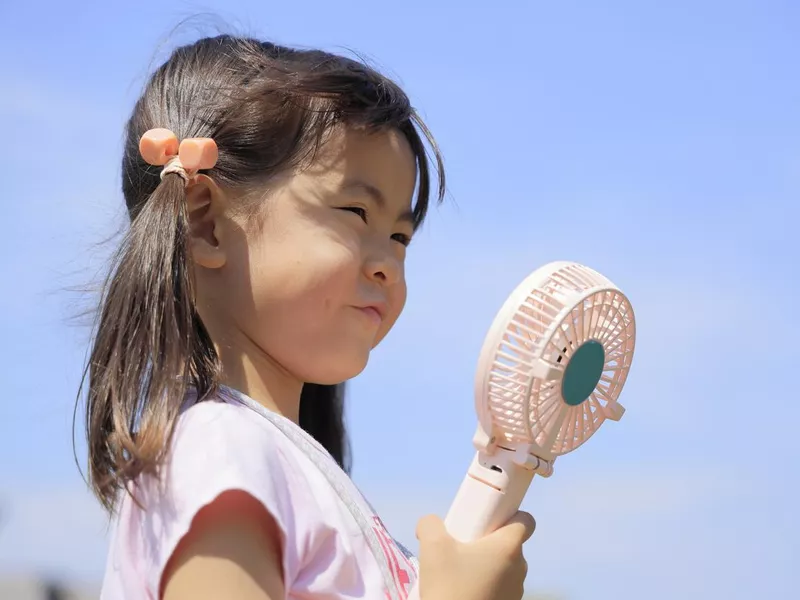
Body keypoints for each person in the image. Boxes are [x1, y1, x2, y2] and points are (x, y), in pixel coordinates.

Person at [79, 34, 536, 600]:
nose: (389, 264)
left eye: (399, 236)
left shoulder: (267, 458)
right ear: (206, 224)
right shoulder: (222, 450)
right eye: (355, 212)